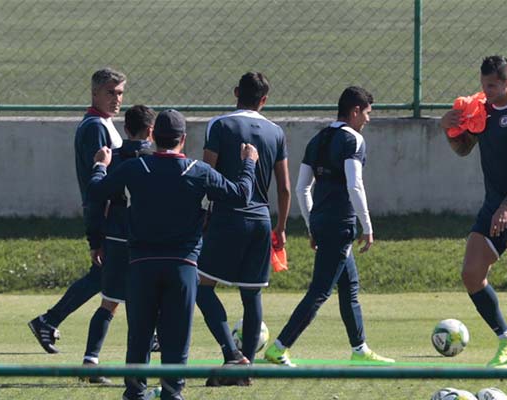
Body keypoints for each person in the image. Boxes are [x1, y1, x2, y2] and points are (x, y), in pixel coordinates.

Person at [87, 109, 258, 400]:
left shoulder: (137, 168)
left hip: (141, 265)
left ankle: (135, 393)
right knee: (177, 339)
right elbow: (242, 194)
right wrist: (248, 163)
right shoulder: (197, 170)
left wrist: (100, 166)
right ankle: (172, 393)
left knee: (139, 336)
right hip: (183, 266)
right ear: (183, 139)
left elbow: (96, 192)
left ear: (153, 136)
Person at [264, 86, 394, 367]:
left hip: (323, 222)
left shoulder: (318, 139)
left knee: (350, 287)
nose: (368, 120)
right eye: (367, 113)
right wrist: (367, 225)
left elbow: (301, 189)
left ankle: (360, 349)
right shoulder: (354, 140)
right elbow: (354, 184)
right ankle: (279, 347)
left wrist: (313, 226)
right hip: (340, 223)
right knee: (320, 290)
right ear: (355, 111)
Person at [439, 56, 507, 369]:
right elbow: (464, 149)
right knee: (471, 274)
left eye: (493, 86)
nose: (486, 90)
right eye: (483, 85)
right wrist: (449, 129)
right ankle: (505, 337)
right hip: (493, 206)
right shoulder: (481, 108)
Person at [196, 72, 290, 385]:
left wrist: (203, 215)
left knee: (201, 286)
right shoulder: (275, 132)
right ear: (264, 100)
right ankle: (245, 372)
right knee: (252, 296)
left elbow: (207, 174)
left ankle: (232, 356)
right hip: (261, 220)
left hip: (226, 216)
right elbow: (285, 187)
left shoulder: (219, 125)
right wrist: (281, 227)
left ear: (236, 92)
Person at [28, 67, 127, 354]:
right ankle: (49, 320)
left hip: (111, 215)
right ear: (95, 93)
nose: (116, 99)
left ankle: (49, 321)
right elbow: (98, 181)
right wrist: (94, 234)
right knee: (109, 274)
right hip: (108, 215)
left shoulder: (103, 123)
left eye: (120, 93)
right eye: (110, 92)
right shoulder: (95, 126)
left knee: (106, 276)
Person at [80, 105, 156, 383]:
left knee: (109, 302)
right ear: (151, 130)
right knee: (146, 305)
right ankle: (139, 369)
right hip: (146, 242)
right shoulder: (155, 159)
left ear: (125, 129)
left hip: (115, 238)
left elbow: (97, 200)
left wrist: (96, 240)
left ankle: (90, 361)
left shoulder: (115, 158)